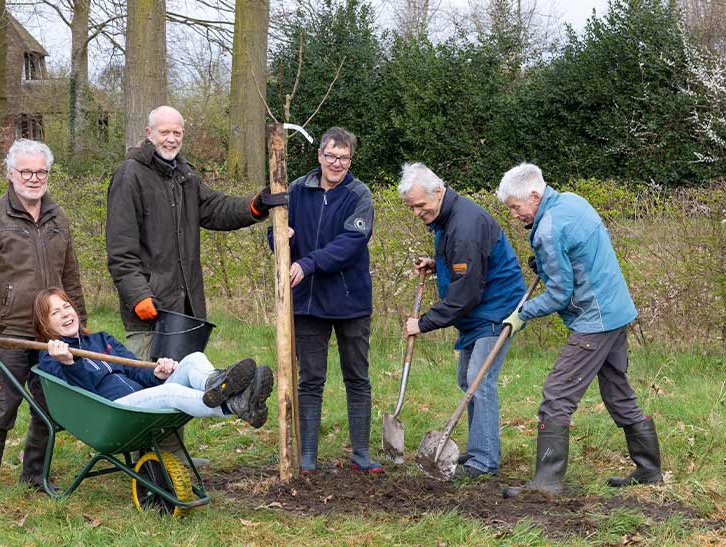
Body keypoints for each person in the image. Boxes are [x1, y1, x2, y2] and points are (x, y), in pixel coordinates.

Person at [497, 163, 662, 497]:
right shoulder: (572, 201)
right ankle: (649, 469)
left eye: (515, 207)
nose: (514, 214)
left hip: (595, 321)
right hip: (616, 310)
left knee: (557, 395)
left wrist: (522, 313)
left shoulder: (548, 230)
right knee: (618, 391)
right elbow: (583, 251)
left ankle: (546, 483)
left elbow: (560, 294)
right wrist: (544, 262)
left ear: (534, 194)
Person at [106, 105, 287, 359]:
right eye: (164, 132)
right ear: (149, 133)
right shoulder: (130, 176)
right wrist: (138, 296)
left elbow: (214, 208)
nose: (171, 139)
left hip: (186, 311)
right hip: (151, 313)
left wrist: (255, 206)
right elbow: (120, 250)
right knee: (145, 389)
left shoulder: (184, 174)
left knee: (182, 388)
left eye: (177, 133)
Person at [0, 139, 87, 498]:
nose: (34, 178)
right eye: (27, 172)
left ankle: (35, 476)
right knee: (1, 407)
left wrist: (79, 323)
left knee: (51, 405)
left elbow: (71, 275)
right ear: (11, 174)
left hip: (50, 331)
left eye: (41, 172)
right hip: (8, 333)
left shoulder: (57, 217)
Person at [399, 162, 527, 480]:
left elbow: (466, 293)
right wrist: (435, 264)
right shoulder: (447, 217)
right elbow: (461, 265)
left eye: (419, 205)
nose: (416, 212)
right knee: (466, 381)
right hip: (478, 311)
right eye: (412, 207)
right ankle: (478, 448)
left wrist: (425, 322)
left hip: (496, 311)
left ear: (438, 191)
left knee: (478, 381)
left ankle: (484, 461)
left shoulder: (465, 226)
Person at [271, 126, 380, 474]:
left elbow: (351, 243)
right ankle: (306, 458)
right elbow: (275, 234)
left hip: (351, 303)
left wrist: (309, 262)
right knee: (311, 378)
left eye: (344, 158)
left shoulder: (359, 194)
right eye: (331, 155)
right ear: (319, 155)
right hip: (308, 303)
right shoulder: (296, 189)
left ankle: (361, 453)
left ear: (351, 160)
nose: (336, 163)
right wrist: (279, 238)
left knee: (356, 376)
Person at [32, 288, 274, 427]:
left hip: (142, 397)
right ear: (46, 324)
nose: (65, 314)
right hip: (113, 411)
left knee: (193, 358)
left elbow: (135, 372)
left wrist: (156, 374)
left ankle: (221, 386)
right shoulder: (51, 358)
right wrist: (69, 363)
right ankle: (234, 403)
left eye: (66, 307)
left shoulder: (101, 339)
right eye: (55, 312)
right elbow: (85, 395)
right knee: (168, 393)